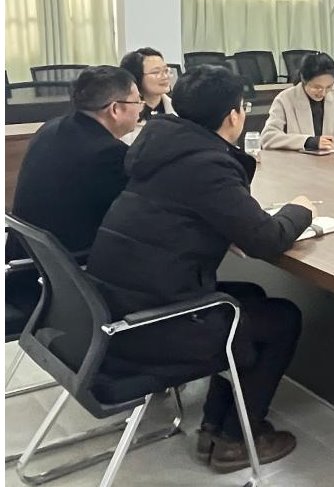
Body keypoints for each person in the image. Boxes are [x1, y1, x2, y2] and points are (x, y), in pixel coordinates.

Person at [87, 66, 315, 473]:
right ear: (233, 116)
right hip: (149, 324)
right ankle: (236, 440)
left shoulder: (163, 147)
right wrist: (301, 209)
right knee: (283, 319)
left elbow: (184, 214)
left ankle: (214, 425)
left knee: (251, 297)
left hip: (117, 304)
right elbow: (266, 239)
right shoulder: (207, 165)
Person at [7, 65, 143, 305]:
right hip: (66, 282)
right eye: (137, 101)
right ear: (115, 109)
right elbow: (131, 221)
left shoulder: (50, 128)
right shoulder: (109, 154)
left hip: (28, 268)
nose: (141, 108)